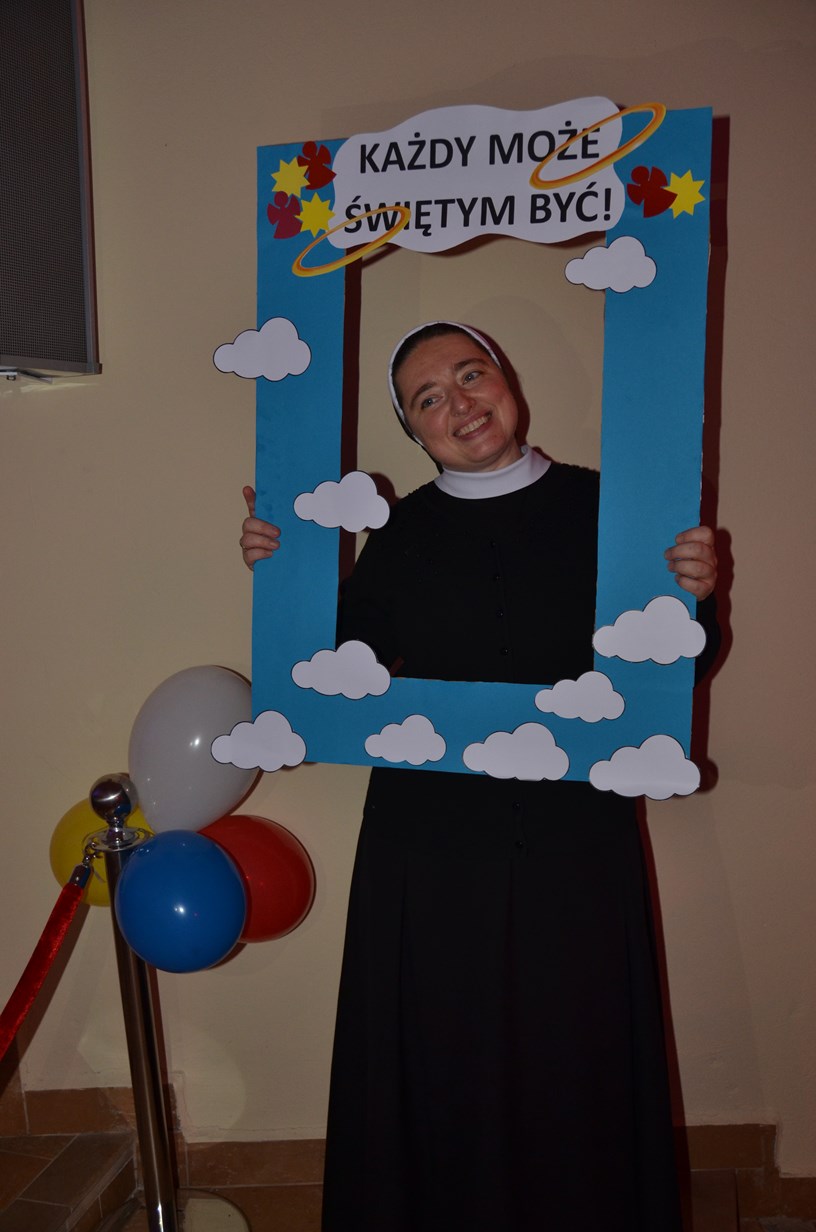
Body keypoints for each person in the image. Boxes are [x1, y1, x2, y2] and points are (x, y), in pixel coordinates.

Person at [240, 322, 718, 1232]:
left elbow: (674, 670)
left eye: (470, 374)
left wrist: (697, 596)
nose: (459, 403)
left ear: (506, 379)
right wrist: (283, 577)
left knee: (574, 1056)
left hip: (573, 843)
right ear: (414, 430)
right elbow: (332, 676)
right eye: (429, 398)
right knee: (441, 1059)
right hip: (430, 846)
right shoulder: (401, 535)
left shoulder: (613, 507)